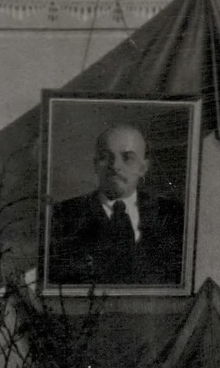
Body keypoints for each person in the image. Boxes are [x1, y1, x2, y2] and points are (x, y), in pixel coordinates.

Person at [48, 123, 185, 287]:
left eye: (128, 157)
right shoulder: (65, 215)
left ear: (143, 168)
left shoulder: (171, 213)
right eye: (106, 157)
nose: (115, 166)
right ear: (95, 164)